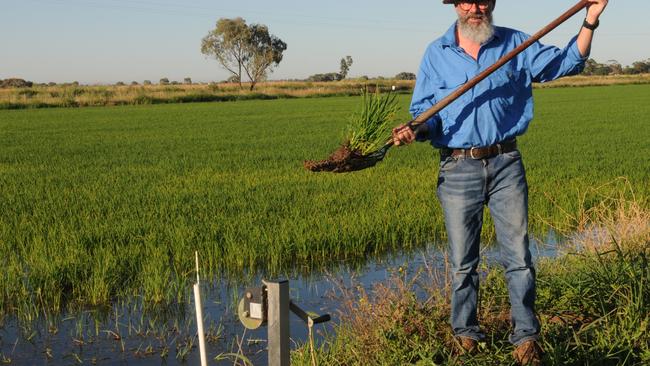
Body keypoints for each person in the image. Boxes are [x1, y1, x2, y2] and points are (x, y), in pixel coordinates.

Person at [391, 0, 608, 364]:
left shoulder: (516, 44)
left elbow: (566, 63)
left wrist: (590, 19)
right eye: (468, 0)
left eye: (484, 0)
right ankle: (465, 333)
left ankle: (525, 337)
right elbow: (425, 115)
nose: (476, 7)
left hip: (506, 162)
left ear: (492, 4)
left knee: (519, 258)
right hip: (458, 168)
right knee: (463, 261)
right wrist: (416, 129)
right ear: (456, 5)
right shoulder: (436, 53)